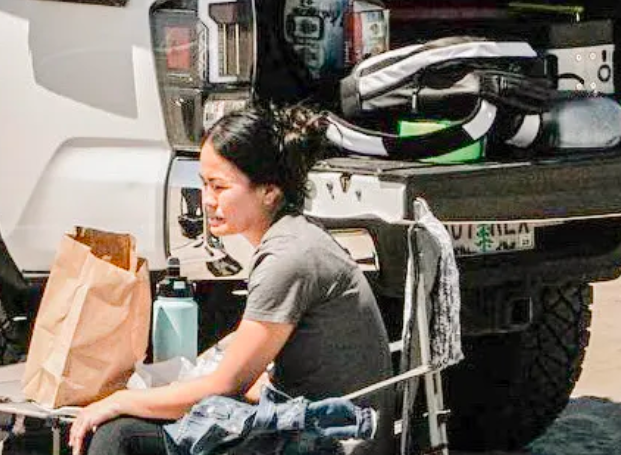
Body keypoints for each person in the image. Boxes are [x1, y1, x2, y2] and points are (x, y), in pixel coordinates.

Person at [69, 104, 394, 455]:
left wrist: (120, 400)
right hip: (311, 424)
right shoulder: (295, 238)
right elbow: (251, 361)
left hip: (328, 440)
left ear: (269, 191)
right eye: (204, 184)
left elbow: (225, 385)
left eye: (219, 186)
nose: (208, 201)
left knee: (119, 435)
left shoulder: (288, 258)